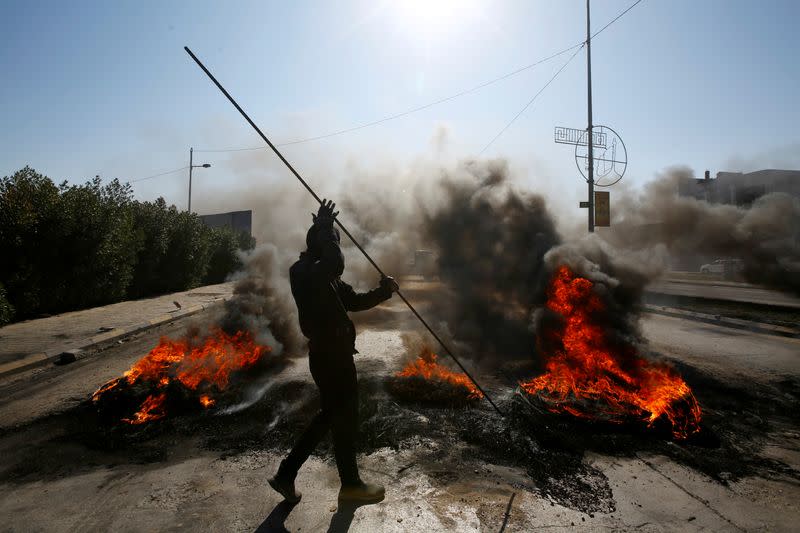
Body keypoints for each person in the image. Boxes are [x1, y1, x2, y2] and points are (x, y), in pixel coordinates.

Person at [268, 199, 399, 505]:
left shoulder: (329, 279)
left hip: (337, 354)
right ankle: (348, 485)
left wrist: (384, 291)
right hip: (328, 355)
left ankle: (290, 475)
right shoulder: (302, 272)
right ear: (321, 243)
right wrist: (327, 230)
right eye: (331, 242)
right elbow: (334, 262)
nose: (334, 246)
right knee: (342, 415)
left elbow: (356, 301)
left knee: (335, 415)